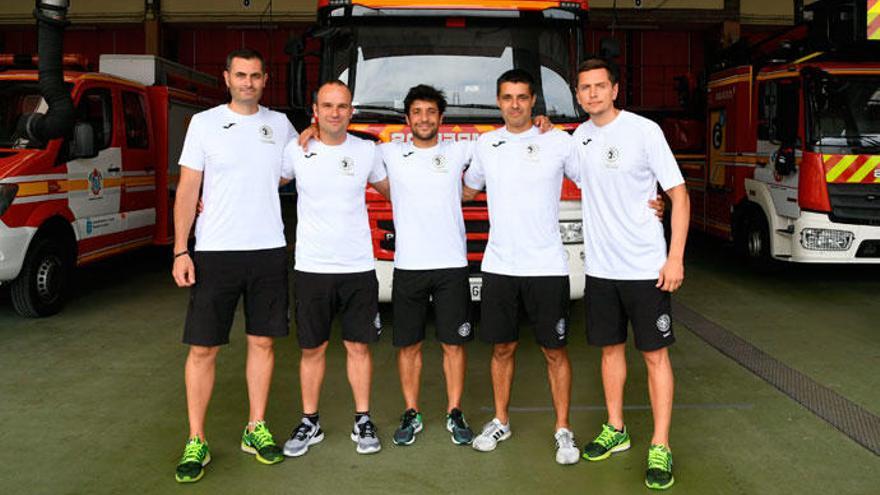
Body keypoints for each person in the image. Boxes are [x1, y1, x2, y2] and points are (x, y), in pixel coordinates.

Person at [171, 48, 297, 483]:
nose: (248, 82)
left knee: (263, 343)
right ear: (226, 78)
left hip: (267, 250)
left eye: (256, 76)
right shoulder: (203, 124)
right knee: (203, 348)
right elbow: (189, 187)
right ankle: (196, 439)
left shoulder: (280, 125)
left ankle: (255, 427)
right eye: (240, 75)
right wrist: (180, 249)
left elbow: (291, 169)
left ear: (265, 80)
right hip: (215, 252)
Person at [572, 57, 690, 490]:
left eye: (600, 86)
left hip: (646, 268)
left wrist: (674, 257)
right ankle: (616, 428)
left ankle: (661, 444)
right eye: (585, 88)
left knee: (655, 356)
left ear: (616, 89)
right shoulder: (578, 139)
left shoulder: (644, 131)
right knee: (609, 351)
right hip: (602, 270)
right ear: (578, 94)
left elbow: (678, 194)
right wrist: (543, 126)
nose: (593, 94)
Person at [462, 69, 583, 465]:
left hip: (547, 266)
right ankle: (500, 419)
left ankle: (563, 428)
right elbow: (464, 188)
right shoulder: (485, 144)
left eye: (522, 97)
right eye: (507, 97)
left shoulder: (558, 142)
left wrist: (652, 201)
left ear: (534, 102)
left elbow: (598, 180)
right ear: (498, 102)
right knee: (502, 347)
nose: (515, 104)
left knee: (555, 351)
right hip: (499, 266)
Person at [280, 80, 390, 457]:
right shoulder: (295, 150)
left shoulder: (367, 151)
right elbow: (258, 184)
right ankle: (310, 421)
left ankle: (363, 418)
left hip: (357, 266)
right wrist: (206, 201)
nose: (334, 112)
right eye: (327, 106)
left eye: (342, 106)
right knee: (313, 349)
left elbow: (400, 187)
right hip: (312, 267)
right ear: (315, 110)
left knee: (358, 347)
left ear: (351, 111)